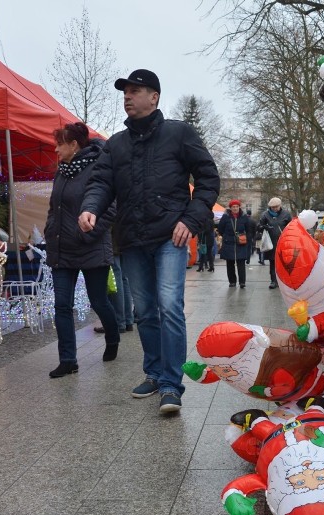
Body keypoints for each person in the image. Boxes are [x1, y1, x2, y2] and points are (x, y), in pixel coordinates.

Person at [78, 68, 219, 414]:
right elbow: (100, 183)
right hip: (132, 238)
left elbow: (208, 178)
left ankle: (172, 384)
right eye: (125, 91)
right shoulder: (116, 144)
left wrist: (191, 219)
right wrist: (90, 207)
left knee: (169, 304)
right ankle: (154, 373)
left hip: (171, 234)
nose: (127, 96)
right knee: (144, 311)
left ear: (154, 97)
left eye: (135, 90)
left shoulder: (179, 133)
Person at [45, 122, 120, 378]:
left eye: (59, 144)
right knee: (61, 306)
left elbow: (109, 209)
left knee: (99, 301)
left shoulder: (98, 168)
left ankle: (113, 337)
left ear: (74, 145)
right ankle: (68, 359)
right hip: (62, 250)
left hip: (90, 247)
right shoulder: (61, 171)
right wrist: (49, 232)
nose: (55, 149)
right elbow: (54, 208)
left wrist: (86, 234)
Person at [256, 197, 292, 289]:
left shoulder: (286, 214)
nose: (274, 209)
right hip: (270, 243)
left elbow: (291, 226)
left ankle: (284, 281)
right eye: (273, 207)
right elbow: (259, 226)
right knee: (273, 262)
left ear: (280, 206)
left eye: (276, 207)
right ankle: (273, 281)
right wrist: (264, 227)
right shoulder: (265, 215)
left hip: (283, 242)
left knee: (284, 263)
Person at [217, 199, 254, 288]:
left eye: (237, 206)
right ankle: (232, 281)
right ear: (230, 208)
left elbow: (249, 230)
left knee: (241, 263)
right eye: (233, 207)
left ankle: (242, 282)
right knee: (230, 263)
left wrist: (246, 239)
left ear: (239, 207)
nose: (235, 208)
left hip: (241, 242)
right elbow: (220, 229)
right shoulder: (225, 217)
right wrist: (226, 237)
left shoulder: (244, 217)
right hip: (228, 243)